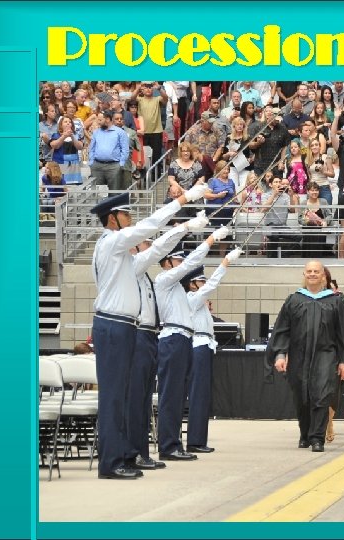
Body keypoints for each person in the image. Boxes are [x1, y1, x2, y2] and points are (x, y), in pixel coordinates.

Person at [89, 186, 205, 480]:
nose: (130, 220)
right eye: (126, 215)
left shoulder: (123, 257)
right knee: (114, 397)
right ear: (113, 218)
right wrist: (183, 200)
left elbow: (156, 250)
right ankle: (110, 462)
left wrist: (183, 228)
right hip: (113, 324)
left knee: (123, 397)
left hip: (124, 326)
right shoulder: (110, 243)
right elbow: (148, 227)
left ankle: (122, 455)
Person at [126, 222, 201, 472]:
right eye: (145, 243)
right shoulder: (160, 278)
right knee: (160, 396)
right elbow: (187, 264)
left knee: (162, 397)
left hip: (159, 336)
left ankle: (152, 449)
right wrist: (202, 237)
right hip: (155, 335)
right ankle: (160, 446)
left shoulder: (158, 279)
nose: (182, 263)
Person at [154, 225, 231, 462]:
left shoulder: (177, 288)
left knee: (177, 396)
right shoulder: (164, 279)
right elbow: (194, 269)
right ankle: (168, 445)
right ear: (167, 262)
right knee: (171, 395)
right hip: (173, 337)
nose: (182, 264)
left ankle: (173, 443)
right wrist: (211, 241)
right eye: (178, 260)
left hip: (183, 339)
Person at [268, 260, 344, 452]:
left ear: (323, 275)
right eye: (309, 271)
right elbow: (282, 329)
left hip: (326, 354)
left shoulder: (335, 301)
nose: (313, 274)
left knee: (321, 395)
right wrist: (280, 354)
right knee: (302, 396)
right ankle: (305, 433)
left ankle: (317, 438)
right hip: (299, 355)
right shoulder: (294, 300)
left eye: (316, 271)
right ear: (304, 274)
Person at [183, 249, 243, 453]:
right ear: (192, 284)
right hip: (198, 346)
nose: (204, 284)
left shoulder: (198, 301)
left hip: (205, 345)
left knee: (203, 395)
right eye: (201, 281)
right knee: (198, 394)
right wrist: (225, 262)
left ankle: (198, 439)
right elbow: (213, 284)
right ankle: (195, 441)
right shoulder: (191, 298)